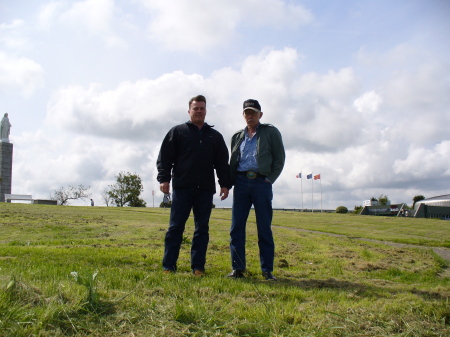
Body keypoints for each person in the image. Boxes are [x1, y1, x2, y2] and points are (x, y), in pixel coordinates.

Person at [157, 95, 232, 276]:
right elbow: (165, 158)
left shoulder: (215, 136)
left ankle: (198, 267)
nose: (199, 111)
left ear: (206, 111)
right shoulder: (177, 132)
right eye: (195, 108)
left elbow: (222, 163)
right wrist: (164, 179)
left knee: (202, 228)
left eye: (202, 108)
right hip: (182, 188)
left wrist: (225, 185)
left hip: (205, 190)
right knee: (175, 227)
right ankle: (169, 266)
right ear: (189, 110)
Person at [228, 99, 285, 280]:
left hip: (262, 183)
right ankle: (238, 269)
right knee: (236, 227)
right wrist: (230, 182)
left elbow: (279, 158)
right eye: (247, 113)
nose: (250, 116)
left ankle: (267, 270)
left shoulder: (271, 132)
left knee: (264, 228)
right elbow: (233, 161)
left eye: (253, 112)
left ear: (261, 114)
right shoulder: (237, 136)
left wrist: (270, 179)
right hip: (241, 183)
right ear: (243, 115)